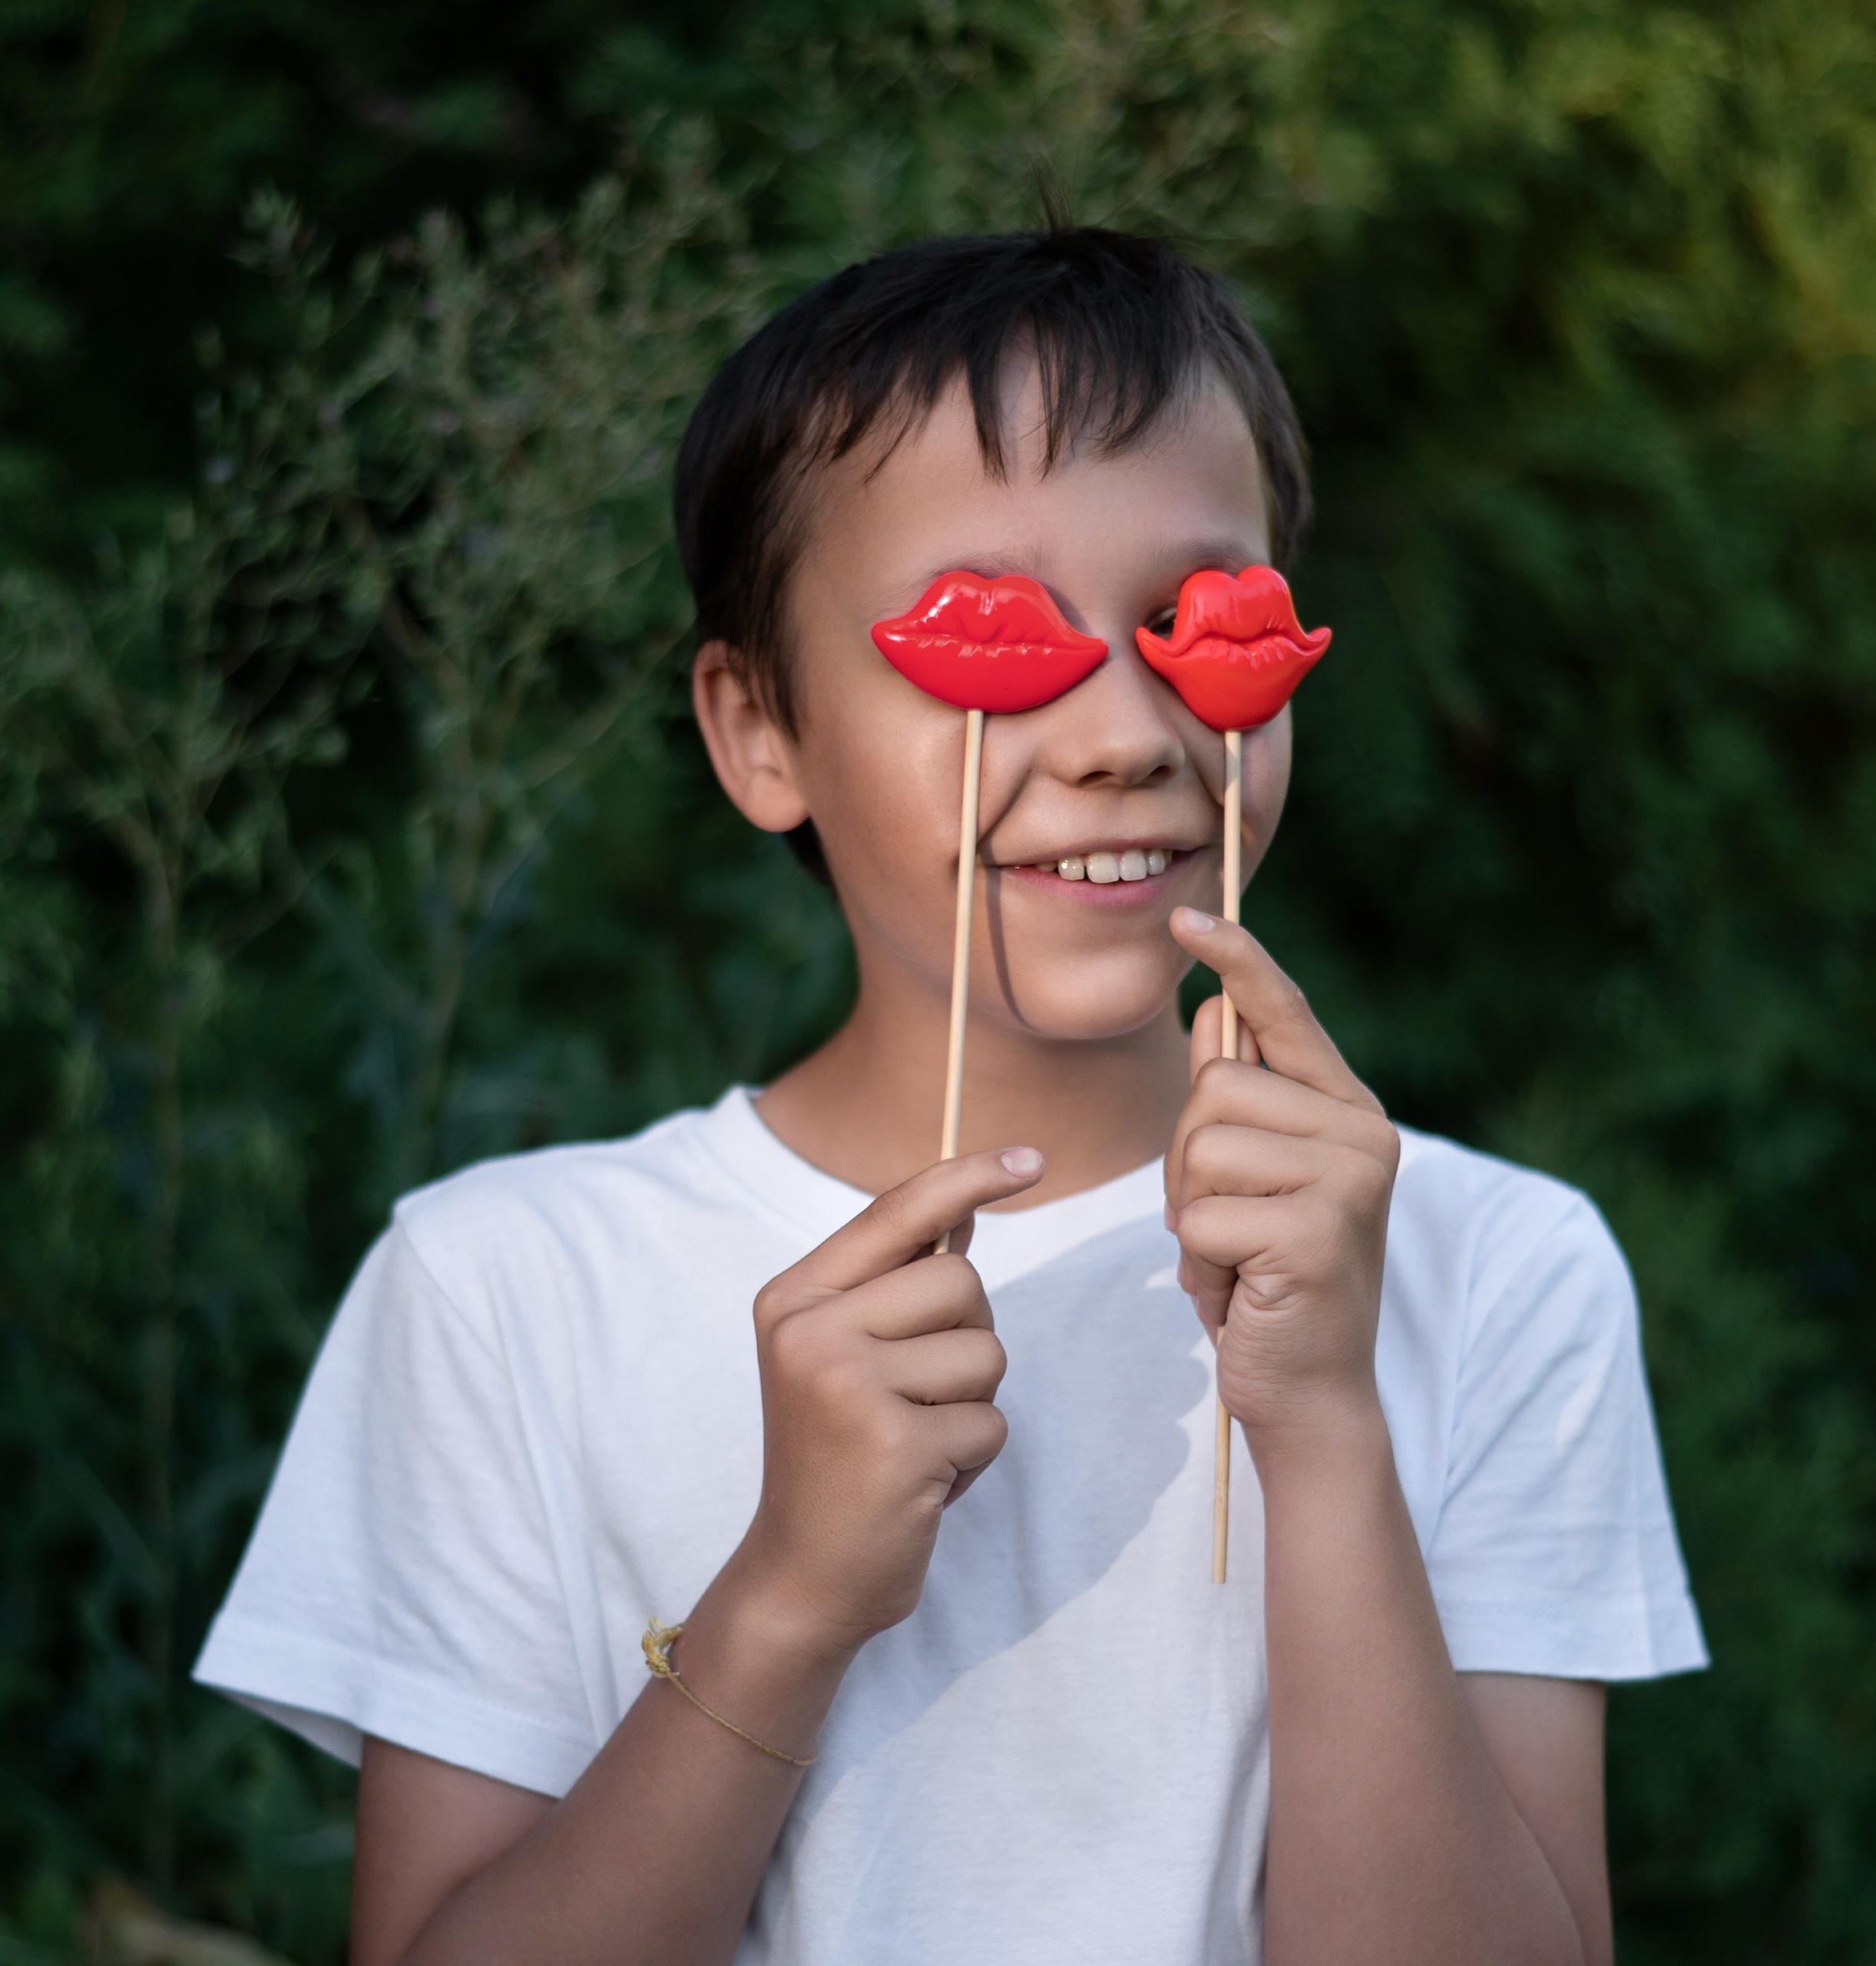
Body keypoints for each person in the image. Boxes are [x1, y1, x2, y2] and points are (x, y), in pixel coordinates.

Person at [194, 227, 1706, 1966]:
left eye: (1197, 621)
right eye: (989, 632)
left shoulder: (1498, 1265)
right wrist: (784, 1599)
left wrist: (1326, 1433)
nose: (1129, 729)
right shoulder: (499, 1286)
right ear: (757, 732)